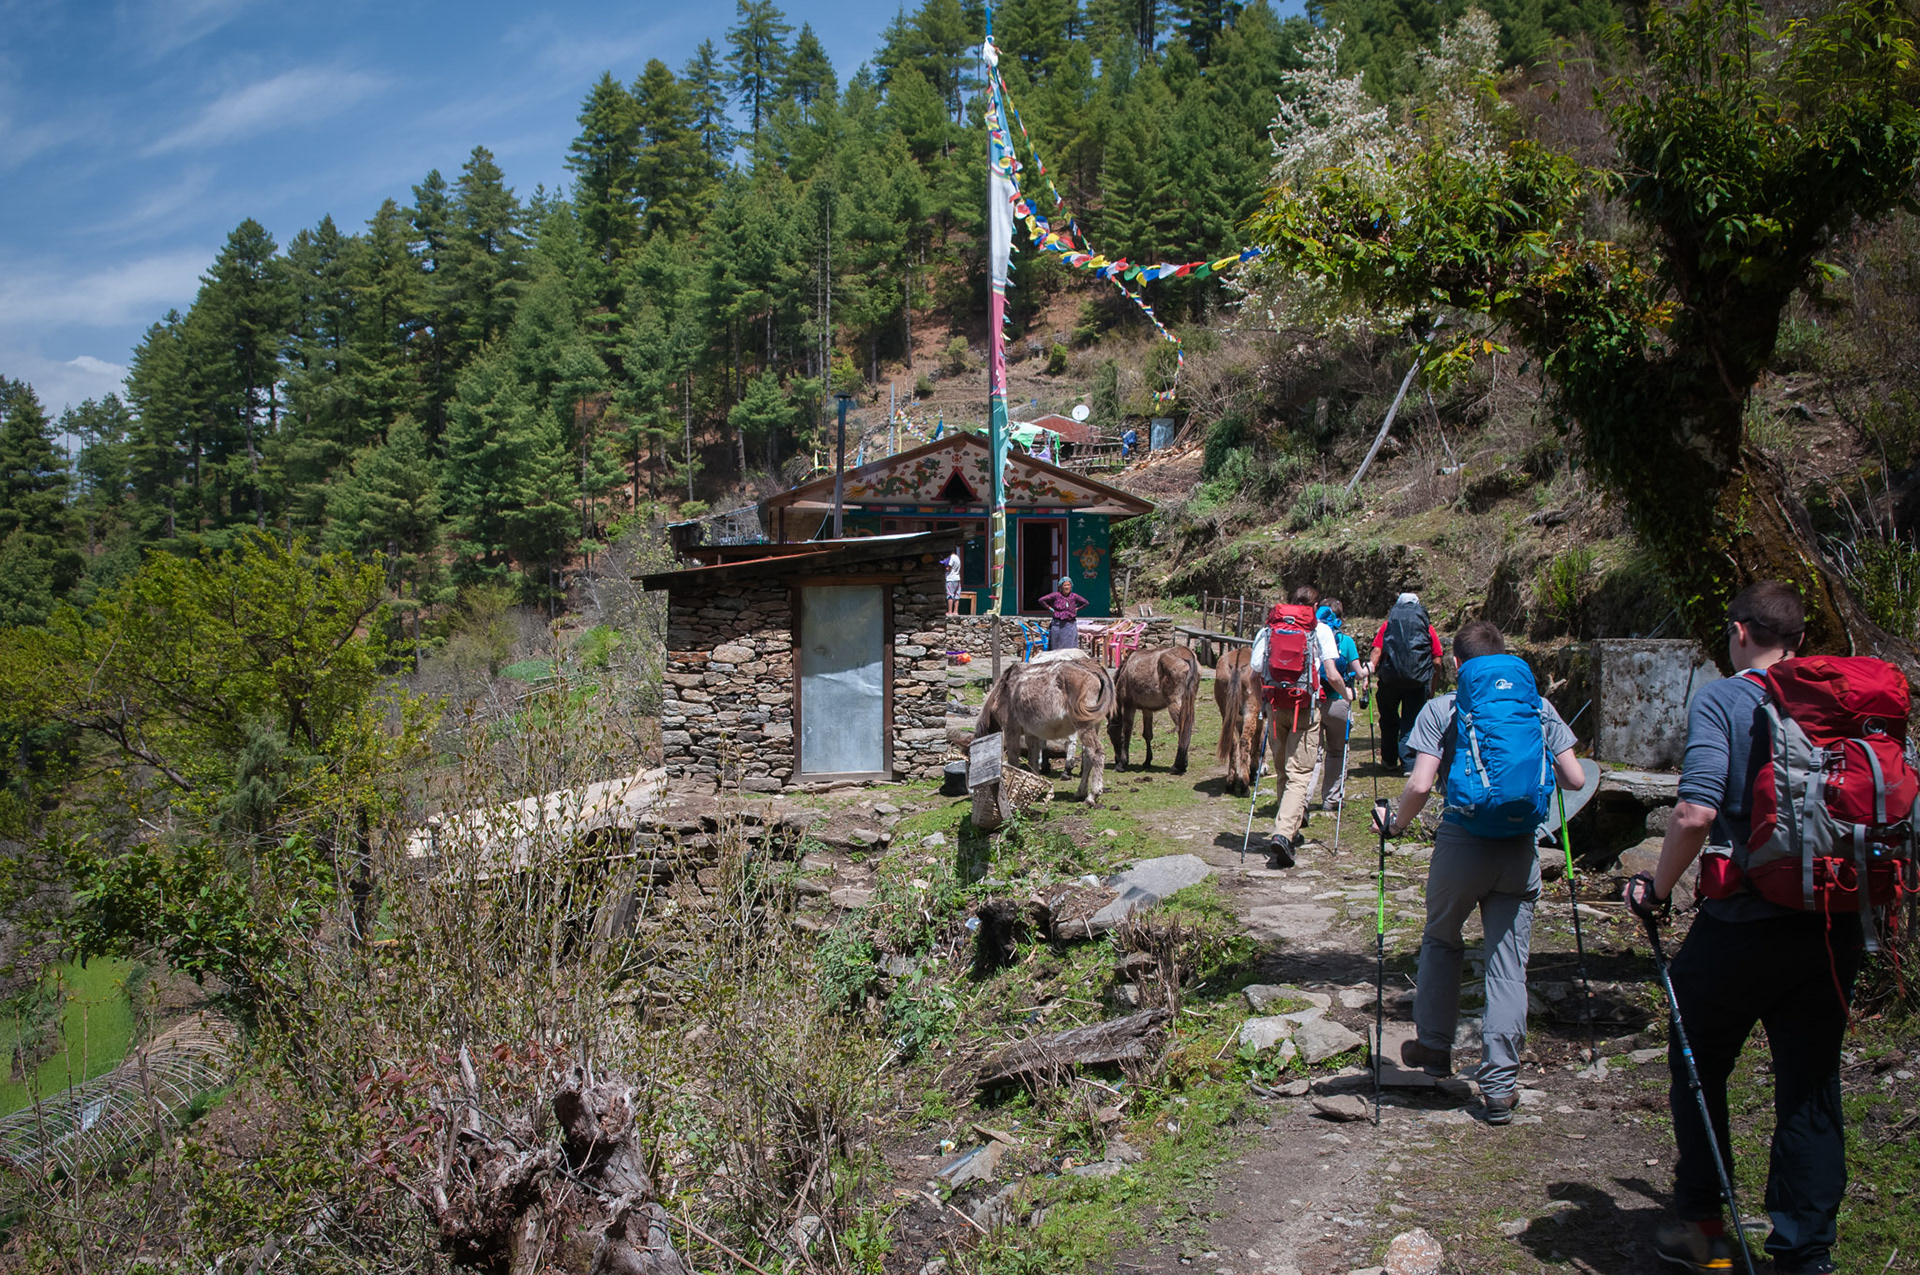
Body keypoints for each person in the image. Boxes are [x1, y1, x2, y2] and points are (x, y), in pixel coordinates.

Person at [1623, 582, 1856, 1275]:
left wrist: (1655, 888)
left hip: (1743, 921)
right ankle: (1805, 1252)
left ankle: (1701, 1221)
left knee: (1698, 1057)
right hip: (1832, 924)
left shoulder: (1726, 698)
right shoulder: (1836, 702)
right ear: (1798, 640)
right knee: (1811, 1084)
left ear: (1740, 632)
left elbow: (1694, 813)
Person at [1373, 619, 1585, 1124]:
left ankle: (1435, 1046)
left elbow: (1422, 784)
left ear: (1455, 663)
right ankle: (1499, 1085)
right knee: (1508, 965)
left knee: (1443, 940)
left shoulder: (1442, 708)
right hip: (1519, 850)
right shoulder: (1536, 705)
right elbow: (1575, 777)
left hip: (1461, 842)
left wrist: (1395, 824)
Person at [1250, 585, 1348, 868]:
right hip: (1305, 708)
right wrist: (1346, 694)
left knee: (1282, 769)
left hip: (1276, 706)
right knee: (1300, 773)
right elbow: (1331, 673)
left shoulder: (1268, 630)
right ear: (1315, 606)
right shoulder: (1320, 630)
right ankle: (1283, 833)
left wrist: (1264, 705)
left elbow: (1254, 675)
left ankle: (1288, 826)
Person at [1369, 592, 1444, 775]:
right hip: (1417, 682)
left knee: (1388, 720)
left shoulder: (1388, 625)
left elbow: (1377, 652)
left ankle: (1389, 760)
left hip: (1389, 682)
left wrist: (1368, 675)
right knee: (1411, 721)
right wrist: (1431, 685)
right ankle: (1409, 764)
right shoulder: (1426, 627)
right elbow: (1437, 661)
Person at [1309, 600, 1365, 811]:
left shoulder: (1311, 638)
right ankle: (1331, 799)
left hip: (1314, 701)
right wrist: (1368, 671)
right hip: (1339, 702)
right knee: (1337, 751)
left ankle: (1303, 800)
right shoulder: (1346, 641)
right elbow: (1359, 673)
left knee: (1313, 753)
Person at [1038, 575, 1090, 651]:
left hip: (1070, 625)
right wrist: (1051, 609)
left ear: (1071, 586)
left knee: (1069, 647)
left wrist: (1077, 608)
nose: (1066, 587)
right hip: (1057, 625)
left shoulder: (1074, 596)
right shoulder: (1056, 595)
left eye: (1068, 585)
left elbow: (1085, 603)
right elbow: (1041, 600)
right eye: (1064, 585)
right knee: (1056, 646)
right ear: (1061, 586)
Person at [945, 551, 963, 616]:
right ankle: (955, 611)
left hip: (950, 578)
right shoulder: (957, 558)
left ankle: (950, 611)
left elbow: (949, 568)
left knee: (950, 595)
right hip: (957, 578)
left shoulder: (951, 558)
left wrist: (944, 568)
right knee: (957, 596)